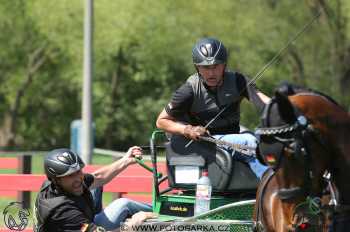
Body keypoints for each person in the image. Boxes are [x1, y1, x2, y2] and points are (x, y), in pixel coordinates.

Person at [156, 37, 269, 179]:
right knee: (249, 142)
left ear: (224, 65)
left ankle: (265, 188)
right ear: (197, 67)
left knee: (263, 140)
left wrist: (288, 108)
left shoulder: (237, 81)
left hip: (228, 141)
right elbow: (161, 121)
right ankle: (273, 187)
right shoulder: (188, 90)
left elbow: (264, 102)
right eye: (205, 67)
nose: (211, 73)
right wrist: (188, 129)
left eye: (216, 66)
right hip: (203, 143)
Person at [34, 147, 156, 232]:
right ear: (56, 180)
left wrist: (126, 160)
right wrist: (131, 226)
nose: (78, 178)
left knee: (95, 188)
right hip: (83, 226)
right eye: (70, 175)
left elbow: (98, 177)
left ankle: (166, 211)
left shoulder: (56, 185)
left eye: (78, 172)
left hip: (83, 222)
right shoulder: (63, 212)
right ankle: (162, 216)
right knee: (123, 204)